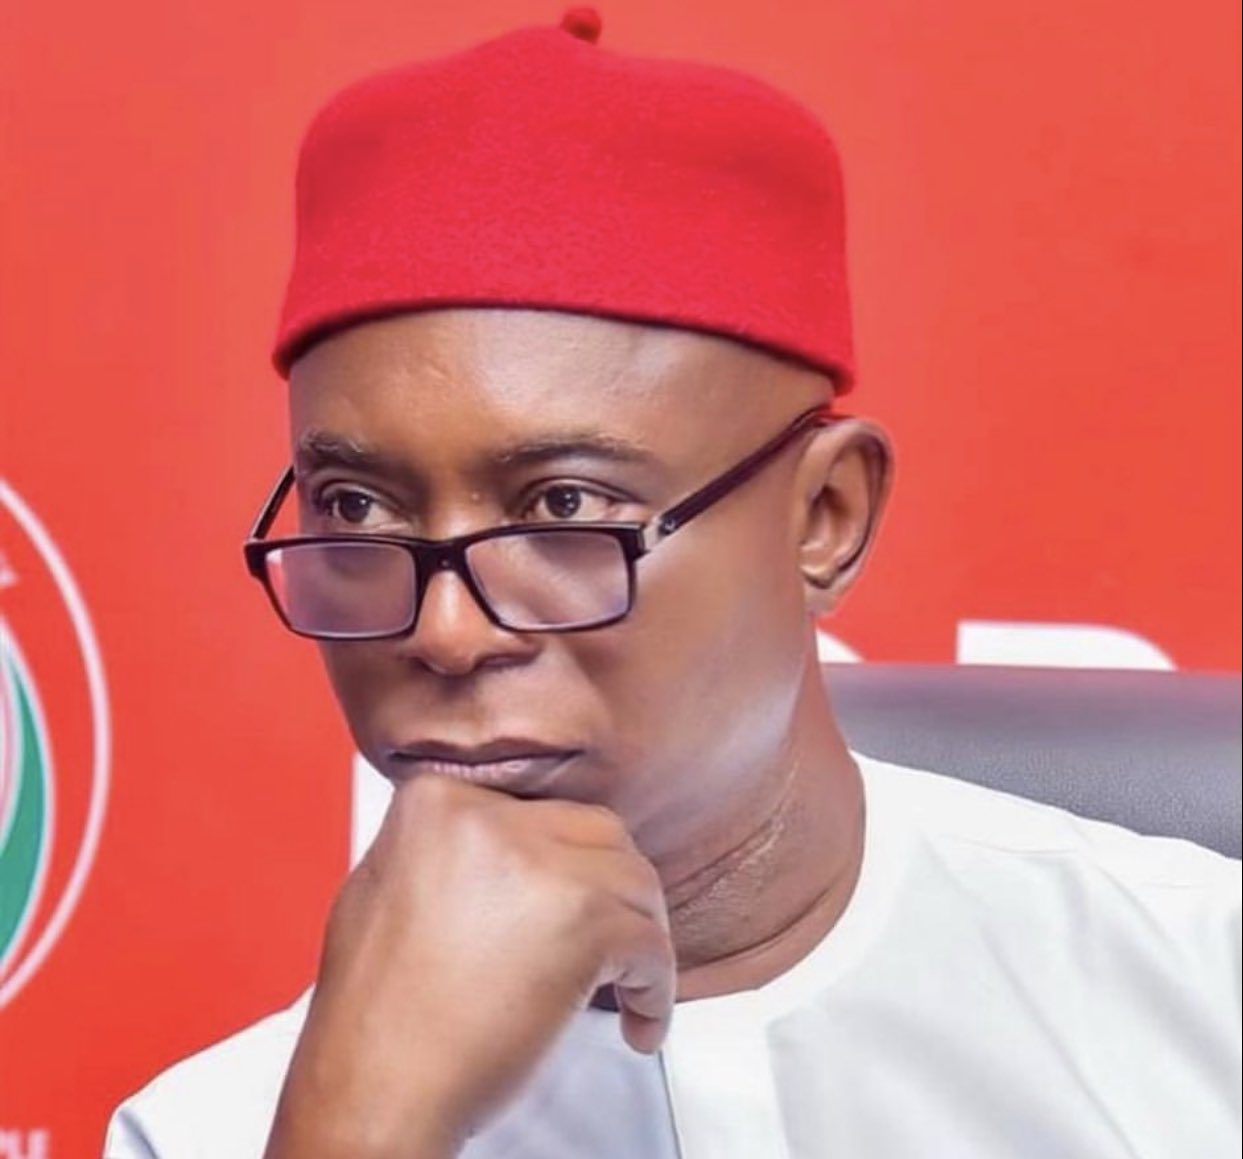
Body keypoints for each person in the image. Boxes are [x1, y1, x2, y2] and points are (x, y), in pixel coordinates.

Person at [104, 10, 1241, 1157]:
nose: (444, 631)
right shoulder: (217, 1131)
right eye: (355, 507)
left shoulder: (1201, 984)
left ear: (825, 517)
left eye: (563, 508)